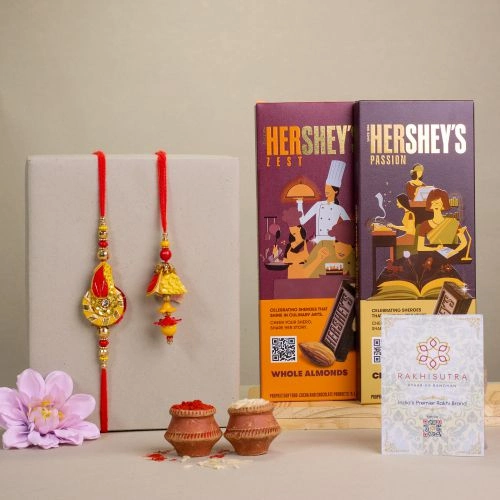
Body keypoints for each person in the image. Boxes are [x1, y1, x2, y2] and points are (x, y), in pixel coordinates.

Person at [296, 160, 350, 244]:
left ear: (336, 191)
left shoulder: (339, 209)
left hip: (332, 243)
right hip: (318, 242)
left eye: (329, 188)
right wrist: (299, 203)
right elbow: (302, 221)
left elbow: (349, 225)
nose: (326, 190)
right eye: (325, 187)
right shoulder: (318, 205)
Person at [417, 188, 467, 259]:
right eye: (433, 203)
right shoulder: (424, 225)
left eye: (438, 203)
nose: (435, 205)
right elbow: (420, 247)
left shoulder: (453, 222)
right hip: (433, 258)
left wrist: (454, 252)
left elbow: (464, 242)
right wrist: (435, 249)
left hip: (451, 257)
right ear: (430, 205)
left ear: (443, 205)